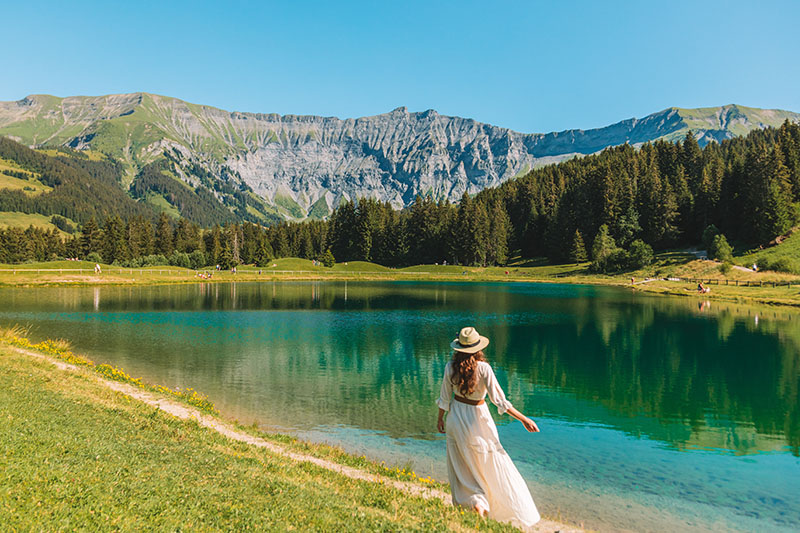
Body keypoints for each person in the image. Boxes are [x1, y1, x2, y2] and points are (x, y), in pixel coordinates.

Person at [437, 327, 541, 529]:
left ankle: (476, 502)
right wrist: (524, 419)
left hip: (455, 418)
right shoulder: (484, 369)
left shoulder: (450, 366)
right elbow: (500, 401)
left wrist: (440, 419)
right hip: (479, 421)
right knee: (490, 464)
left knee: (462, 467)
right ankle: (488, 505)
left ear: (458, 348)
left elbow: (444, 398)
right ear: (478, 348)